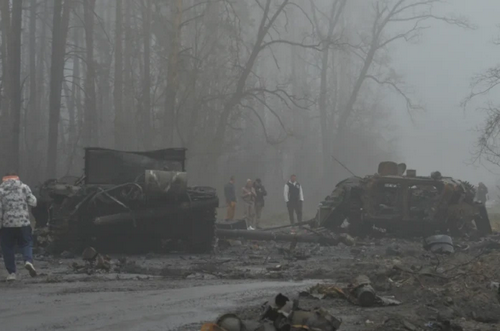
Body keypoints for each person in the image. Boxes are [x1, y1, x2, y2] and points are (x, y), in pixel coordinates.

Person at [0, 173, 38, 281]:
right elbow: (33, 202)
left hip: (7, 225)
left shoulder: (1, 191)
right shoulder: (24, 188)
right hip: (23, 223)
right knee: (26, 243)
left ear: (4, 179)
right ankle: (28, 261)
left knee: (7, 248)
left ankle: (12, 273)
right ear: (16, 178)